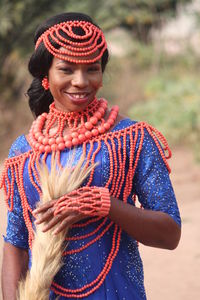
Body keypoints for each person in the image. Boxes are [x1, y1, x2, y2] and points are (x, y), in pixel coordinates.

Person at [0, 12, 181, 300]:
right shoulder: (23, 152)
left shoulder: (131, 139)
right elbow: (17, 243)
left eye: (92, 69)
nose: (81, 81)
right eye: (67, 69)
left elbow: (170, 234)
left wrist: (107, 205)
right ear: (45, 76)